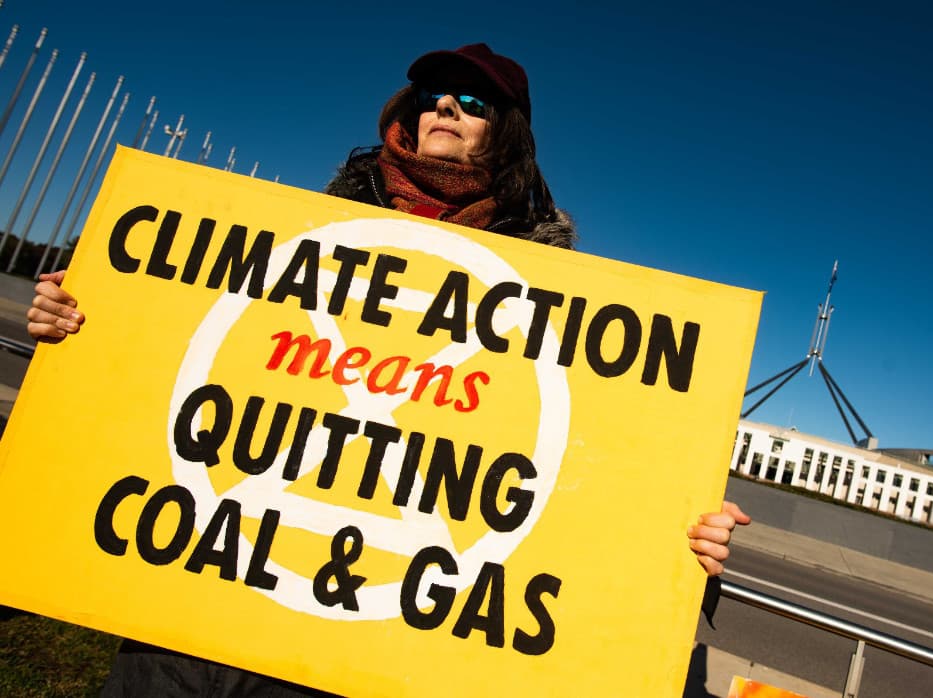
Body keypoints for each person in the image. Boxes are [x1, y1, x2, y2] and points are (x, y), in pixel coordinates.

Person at [27, 43, 750, 695]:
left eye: (474, 102)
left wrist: (679, 531)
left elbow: (605, 461)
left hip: (358, 645)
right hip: (181, 607)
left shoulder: (556, 290)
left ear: (508, 132)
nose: (446, 106)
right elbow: (173, 344)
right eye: (435, 92)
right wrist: (84, 320)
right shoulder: (306, 224)